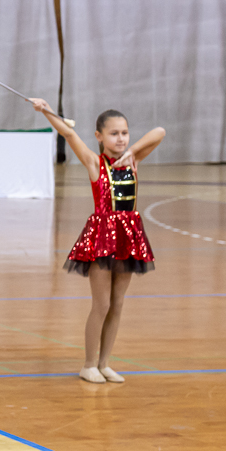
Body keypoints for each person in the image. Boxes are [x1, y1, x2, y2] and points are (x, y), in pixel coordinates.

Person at [33, 100, 164, 383]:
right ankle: (88, 364)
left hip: (128, 238)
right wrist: (45, 110)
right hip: (103, 238)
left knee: (118, 304)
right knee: (102, 304)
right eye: (114, 133)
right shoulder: (95, 163)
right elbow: (68, 135)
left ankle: (105, 364)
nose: (121, 139)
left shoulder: (134, 160)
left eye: (124, 133)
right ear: (99, 136)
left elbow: (160, 131)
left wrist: (131, 151)